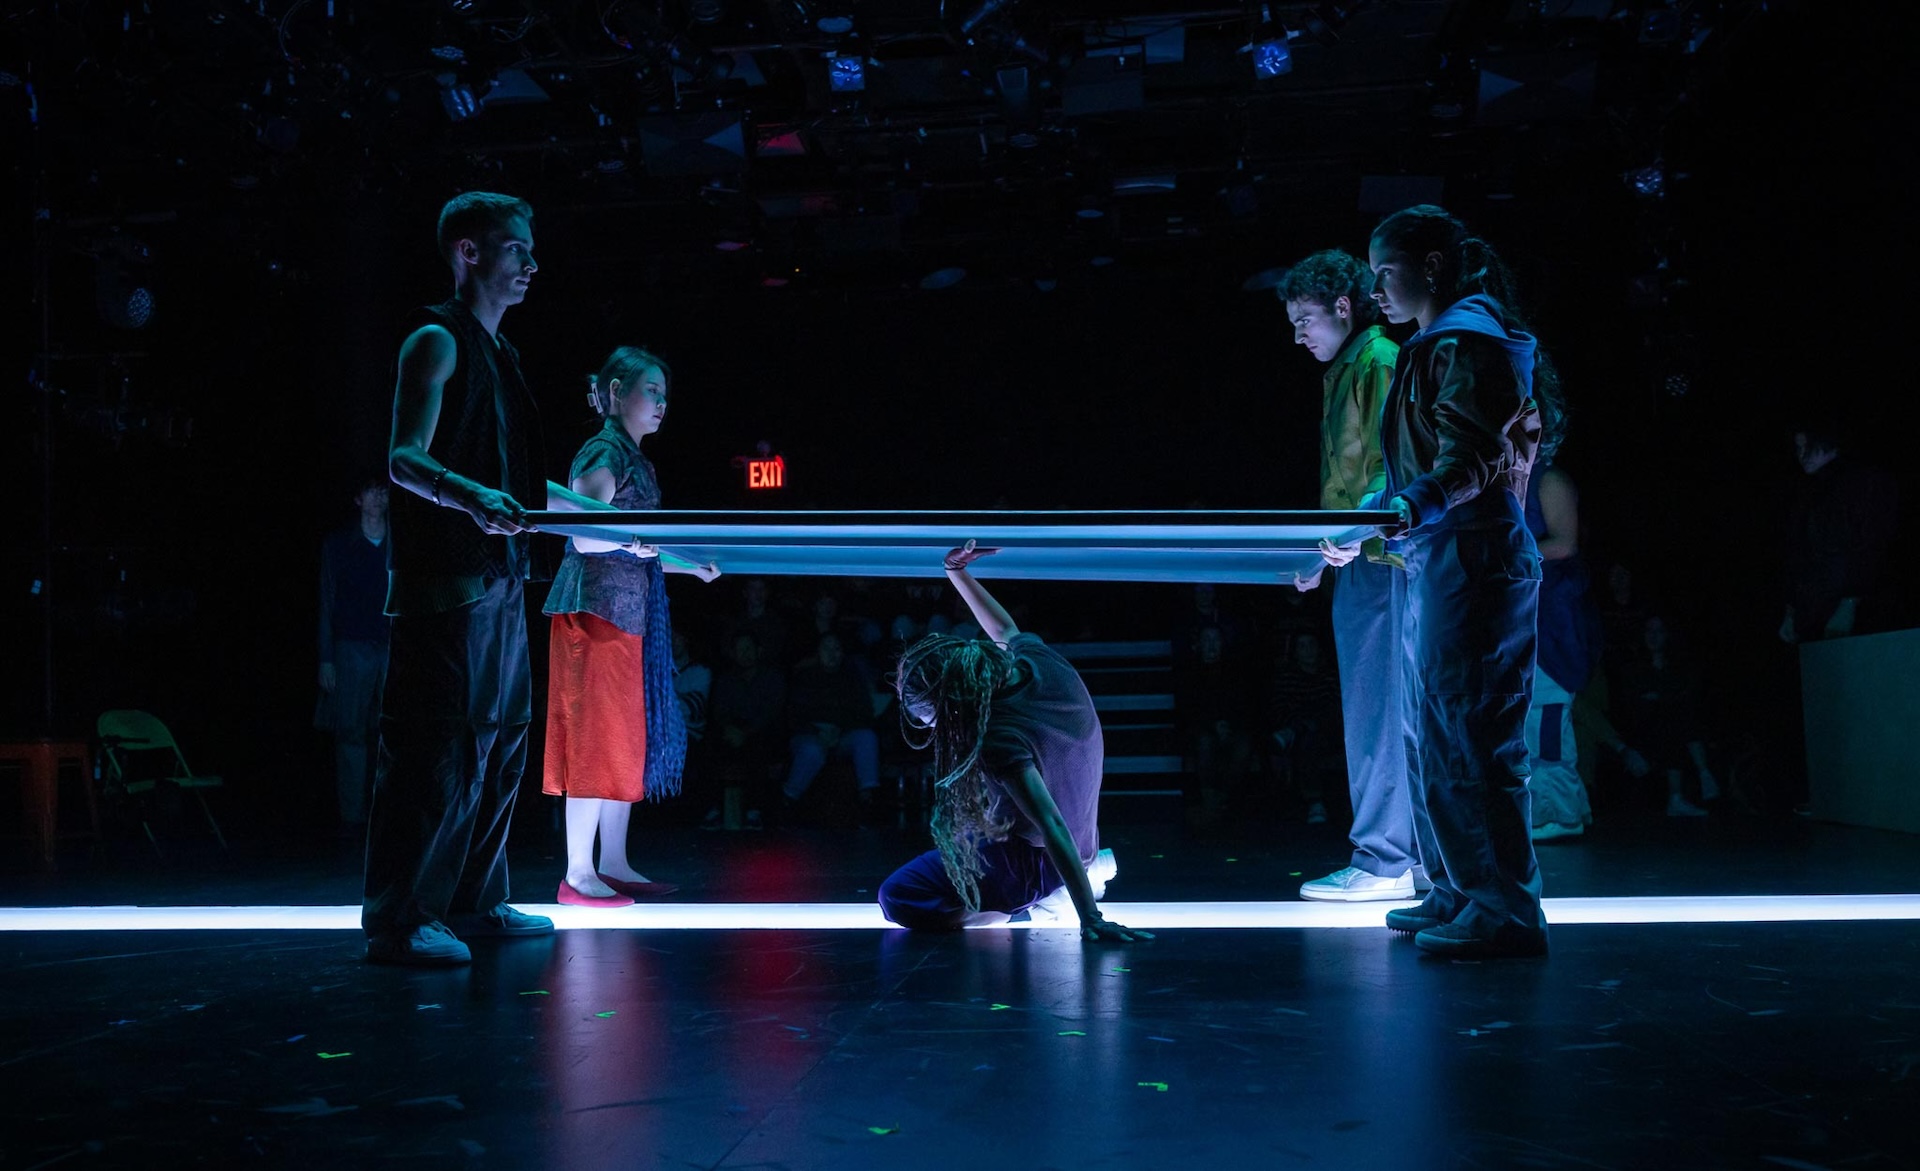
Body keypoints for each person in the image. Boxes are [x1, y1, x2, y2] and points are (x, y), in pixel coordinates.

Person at [1322, 204, 1564, 959]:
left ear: (1429, 266)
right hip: (1445, 559)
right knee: (1436, 732)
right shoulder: (1438, 342)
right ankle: (1459, 888)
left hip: (1476, 559)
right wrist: (1375, 512)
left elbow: (1472, 457)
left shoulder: (1470, 340)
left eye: (1385, 272)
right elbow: (1423, 465)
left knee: (1473, 732)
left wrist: (1402, 507)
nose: (1376, 289)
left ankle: (1502, 908)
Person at [363, 191, 559, 967]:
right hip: (445, 581)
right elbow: (402, 457)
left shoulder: (501, 354)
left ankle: (473, 902)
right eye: (515, 249)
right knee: (435, 747)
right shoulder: (435, 340)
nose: (530, 264)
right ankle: (402, 917)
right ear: (469, 252)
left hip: (501, 577)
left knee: (501, 740)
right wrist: (469, 494)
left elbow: (522, 476)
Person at [877, 542, 1148, 942]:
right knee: (965, 844)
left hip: (1033, 864)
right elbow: (1004, 629)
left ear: (952, 703)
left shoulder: (999, 738)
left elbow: (1051, 821)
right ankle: (1070, 880)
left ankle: (1037, 906)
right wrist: (956, 572)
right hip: (1080, 841)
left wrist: (1090, 917)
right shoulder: (1037, 662)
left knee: (898, 896)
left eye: (935, 720)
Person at [542, 347, 719, 907]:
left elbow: (637, 552)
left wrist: (691, 566)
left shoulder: (637, 461)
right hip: (591, 613)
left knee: (621, 741)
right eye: (651, 390)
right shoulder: (604, 451)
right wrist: (637, 543)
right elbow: (584, 536)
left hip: (625, 617)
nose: (661, 403)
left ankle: (612, 862)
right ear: (617, 392)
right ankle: (577, 872)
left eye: (665, 394)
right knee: (596, 740)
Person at [1281, 249, 1422, 901]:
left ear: (1343, 306)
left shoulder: (1378, 360)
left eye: (1305, 318)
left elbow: (1391, 471)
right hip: (1360, 558)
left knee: (1382, 709)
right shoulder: (1345, 370)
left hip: (1385, 559)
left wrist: (1347, 537)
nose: (1298, 334)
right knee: (1377, 709)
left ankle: (1386, 858)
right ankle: (1402, 854)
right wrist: (1320, 554)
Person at [1523, 461, 1605, 841]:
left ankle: (1561, 813)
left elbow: (1565, 542)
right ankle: (1564, 807)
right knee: (1534, 720)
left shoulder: (1550, 479)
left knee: (1547, 717)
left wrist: (1506, 549)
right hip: (1527, 615)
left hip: (1552, 619)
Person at [316, 476, 391, 834]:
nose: (377, 498)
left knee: (389, 730)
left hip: (390, 645)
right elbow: (327, 602)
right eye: (370, 492)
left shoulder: (397, 543)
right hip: (352, 647)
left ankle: (384, 809)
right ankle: (352, 813)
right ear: (358, 499)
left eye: (382, 492)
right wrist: (326, 657)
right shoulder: (340, 545)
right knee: (351, 731)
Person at [1615, 613, 1718, 817]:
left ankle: (1680, 794)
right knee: (1672, 713)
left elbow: (1687, 696)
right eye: (1649, 631)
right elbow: (1632, 705)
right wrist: (1662, 700)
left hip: (1672, 729)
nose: (1653, 636)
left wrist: (1661, 698)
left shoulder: (1677, 668)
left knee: (1674, 716)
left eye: (1659, 631)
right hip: (1643, 731)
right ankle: (1701, 773)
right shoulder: (1634, 668)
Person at [780, 632, 883, 816]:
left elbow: (865, 713)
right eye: (827, 648)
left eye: (836, 649)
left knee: (867, 737)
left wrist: (839, 729)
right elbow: (793, 714)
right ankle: (788, 799)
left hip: (843, 735)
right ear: (818, 652)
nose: (832, 653)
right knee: (812, 751)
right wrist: (816, 731)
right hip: (809, 735)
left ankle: (868, 799)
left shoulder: (852, 677)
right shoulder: (805, 677)